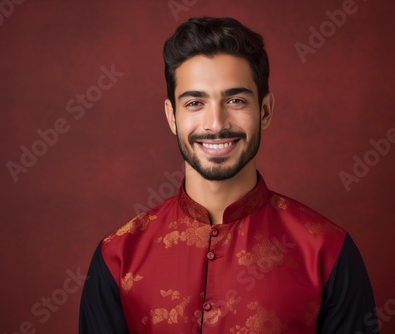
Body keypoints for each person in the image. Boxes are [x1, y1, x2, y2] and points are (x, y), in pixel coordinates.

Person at [79, 16, 378, 334]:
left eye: (235, 100)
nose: (216, 123)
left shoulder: (327, 251)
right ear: (172, 117)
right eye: (195, 103)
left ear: (265, 111)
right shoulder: (118, 256)